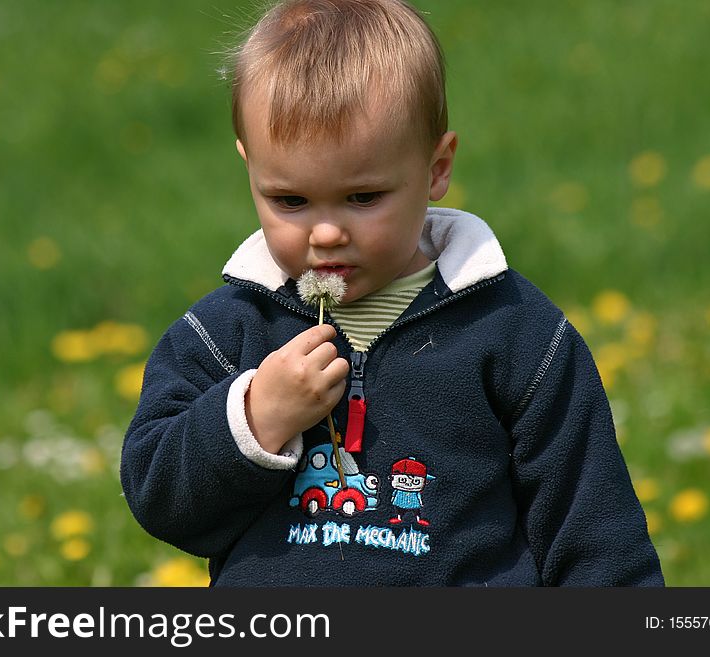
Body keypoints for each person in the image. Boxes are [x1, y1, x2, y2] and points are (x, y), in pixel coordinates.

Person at [120, 0, 664, 586]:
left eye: (362, 198)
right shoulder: (230, 330)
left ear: (436, 168)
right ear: (250, 169)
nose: (326, 232)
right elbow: (158, 496)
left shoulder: (515, 334)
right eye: (290, 201)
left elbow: (596, 537)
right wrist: (255, 418)